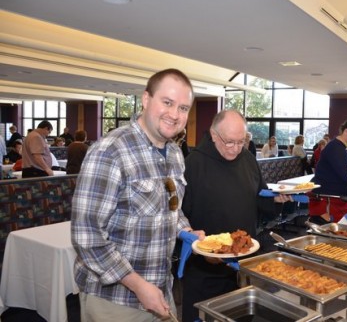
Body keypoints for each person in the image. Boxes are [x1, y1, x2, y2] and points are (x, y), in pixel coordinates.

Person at [71, 68, 204, 321]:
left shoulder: (175, 154)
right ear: (146, 99)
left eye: (184, 108)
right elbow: (86, 236)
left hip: (160, 288)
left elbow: (171, 209)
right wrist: (138, 285)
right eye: (167, 102)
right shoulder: (110, 151)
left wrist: (187, 232)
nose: (175, 115)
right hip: (114, 298)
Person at [181, 109, 291, 322]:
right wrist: (196, 245)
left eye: (241, 142)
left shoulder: (248, 159)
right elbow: (179, 216)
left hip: (242, 262)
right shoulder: (193, 164)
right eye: (230, 142)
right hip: (206, 267)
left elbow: (259, 196)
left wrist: (276, 199)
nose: (236, 149)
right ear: (214, 135)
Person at [309, 118, 347, 224]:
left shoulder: (342, 147)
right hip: (328, 202)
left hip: (336, 200)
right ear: (346, 131)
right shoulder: (336, 148)